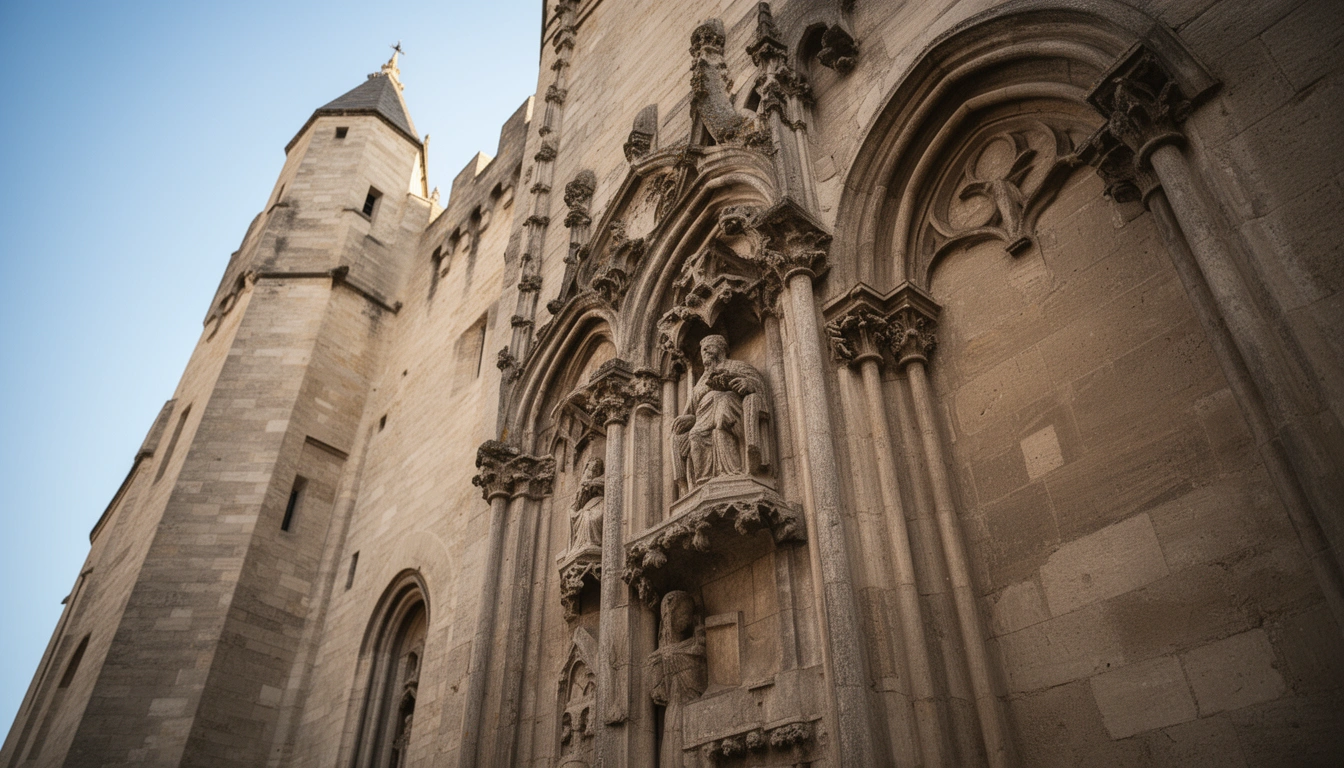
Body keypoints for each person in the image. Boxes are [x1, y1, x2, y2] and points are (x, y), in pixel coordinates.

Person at [672, 335, 770, 489]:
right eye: (703, 348)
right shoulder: (699, 384)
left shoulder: (736, 366)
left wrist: (747, 383)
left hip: (731, 408)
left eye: (710, 346)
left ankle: (733, 473)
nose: (704, 350)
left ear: (722, 349)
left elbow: (758, 384)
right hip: (703, 418)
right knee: (695, 435)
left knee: (722, 419)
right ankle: (703, 483)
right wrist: (689, 419)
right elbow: (691, 410)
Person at [647, 591, 706, 767]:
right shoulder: (659, 658)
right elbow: (658, 694)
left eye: (690, 613)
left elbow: (702, 682)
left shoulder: (698, 647)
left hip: (696, 709)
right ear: (669, 617)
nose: (687, 618)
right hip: (675, 711)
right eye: (683, 613)